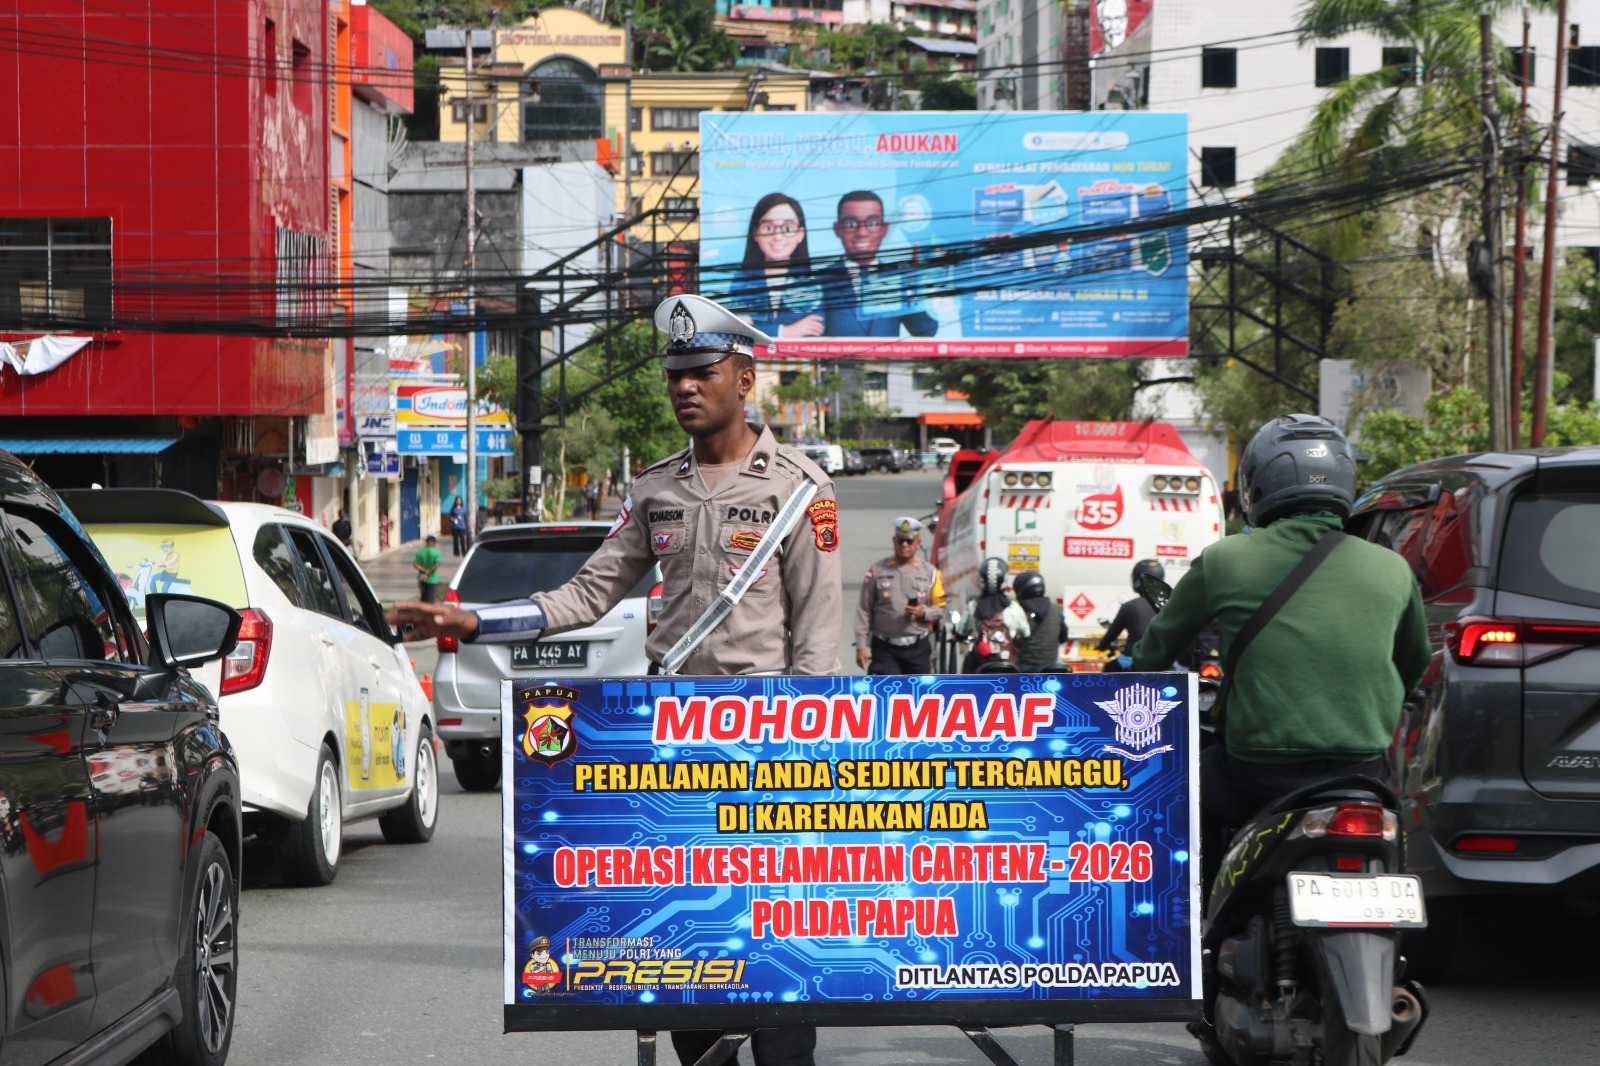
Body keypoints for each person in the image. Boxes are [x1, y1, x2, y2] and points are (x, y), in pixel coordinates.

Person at [388, 294, 840, 1066]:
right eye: (675, 376)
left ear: (745, 379)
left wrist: (799, 761)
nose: (684, 389)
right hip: (674, 753)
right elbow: (586, 595)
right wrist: (475, 623)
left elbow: (819, 642)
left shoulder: (799, 488)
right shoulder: (654, 491)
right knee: (686, 949)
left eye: (701, 373)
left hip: (768, 753)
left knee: (776, 950)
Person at [1129, 414, 1430, 893]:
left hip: (1256, 770)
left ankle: (1200, 922)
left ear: (1258, 484)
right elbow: (1414, 662)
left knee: (1182, 792)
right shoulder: (1393, 568)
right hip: (1362, 770)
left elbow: (1153, 653)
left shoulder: (1225, 560)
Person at [819, 191, 938, 338]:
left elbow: (926, 331)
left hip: (885, 361)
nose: (862, 232)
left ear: (884, 229)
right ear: (838, 229)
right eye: (851, 224)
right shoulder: (821, 280)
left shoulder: (898, 278)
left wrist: (915, 281)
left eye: (872, 223)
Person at [853, 516, 947, 674]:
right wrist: (861, 646)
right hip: (884, 648)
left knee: (919, 695)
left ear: (918, 543)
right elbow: (864, 609)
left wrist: (923, 612)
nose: (904, 545)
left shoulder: (931, 573)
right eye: (900, 540)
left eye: (909, 541)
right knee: (886, 693)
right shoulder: (877, 570)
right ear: (893, 541)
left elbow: (941, 609)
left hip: (918, 647)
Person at [726, 192, 825, 338]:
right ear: (755, 233)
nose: (777, 237)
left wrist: (758, 328)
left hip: (798, 359)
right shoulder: (742, 281)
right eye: (768, 228)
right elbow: (738, 330)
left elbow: (816, 329)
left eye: (788, 229)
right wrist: (785, 331)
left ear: (800, 234)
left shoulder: (812, 283)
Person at [1097, 559, 1163, 665]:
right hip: (1164, 661)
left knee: (1109, 669)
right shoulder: (1168, 605)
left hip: (1132, 659)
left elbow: (1112, 634)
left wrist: (1101, 646)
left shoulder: (1128, 606)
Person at [1011, 571, 1067, 671]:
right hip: (1051, 664)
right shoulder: (1054, 609)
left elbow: (1012, 638)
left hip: (1025, 666)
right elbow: (1063, 637)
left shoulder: (1019, 610)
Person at [413, 535, 442, 604]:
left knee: (423, 598)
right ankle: (429, 614)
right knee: (430, 600)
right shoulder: (436, 552)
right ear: (434, 543)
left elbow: (415, 564)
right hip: (432, 579)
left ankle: (423, 613)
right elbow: (436, 564)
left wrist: (424, 571)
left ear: (426, 542)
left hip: (422, 578)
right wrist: (429, 572)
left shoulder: (420, 552)